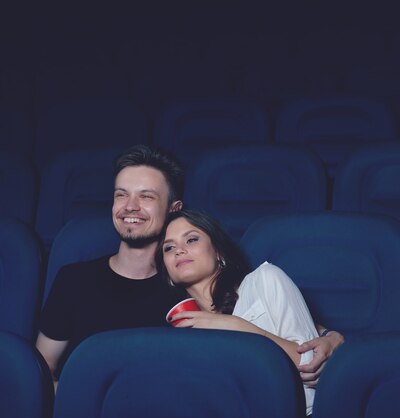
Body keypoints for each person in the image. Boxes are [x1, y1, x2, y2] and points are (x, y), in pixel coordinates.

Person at [36, 144, 343, 386]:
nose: (130, 206)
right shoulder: (74, 280)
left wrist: (333, 339)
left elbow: (299, 330)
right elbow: (40, 371)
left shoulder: (185, 290)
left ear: (174, 208)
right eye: (121, 195)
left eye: (146, 196)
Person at [159, 208, 319, 416]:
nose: (179, 250)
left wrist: (237, 326)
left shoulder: (264, 280)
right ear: (169, 273)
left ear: (218, 251)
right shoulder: (179, 330)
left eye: (191, 240)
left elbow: (310, 368)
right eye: (169, 247)